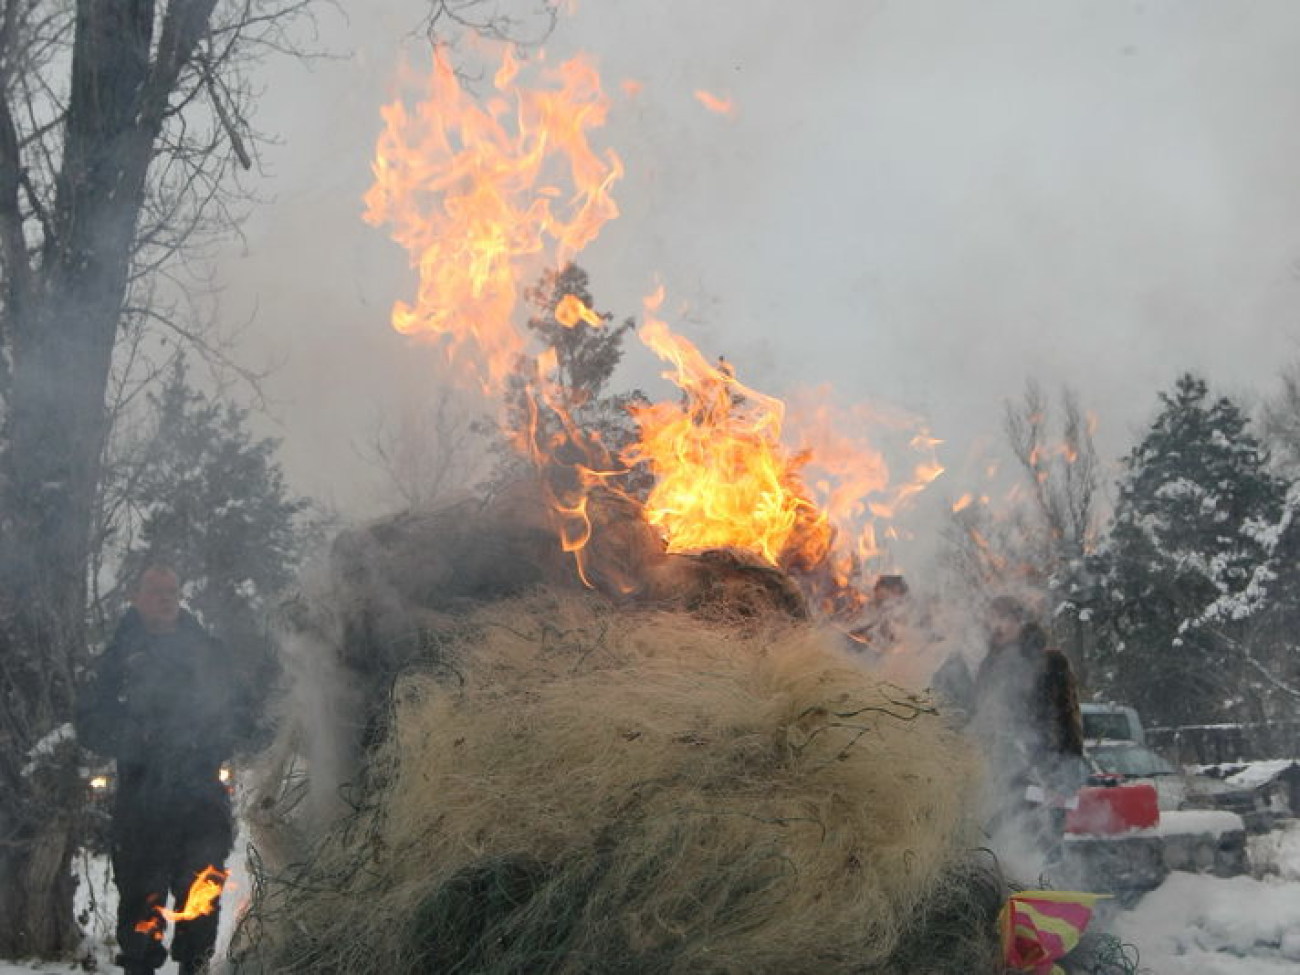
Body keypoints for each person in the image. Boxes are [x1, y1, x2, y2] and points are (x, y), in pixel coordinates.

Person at [76, 565, 251, 975]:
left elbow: (241, 709)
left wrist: (210, 739)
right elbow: (90, 721)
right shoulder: (117, 657)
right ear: (136, 597)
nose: (166, 598)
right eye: (155, 591)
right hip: (142, 807)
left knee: (201, 909)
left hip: (201, 804)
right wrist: (137, 739)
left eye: (171, 591)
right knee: (141, 912)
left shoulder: (207, 650)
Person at [967, 595, 1085, 844]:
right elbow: (980, 715)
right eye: (991, 620)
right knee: (1002, 844)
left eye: (1004, 619)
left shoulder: (1051, 663)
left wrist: (1067, 771)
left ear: (1020, 622)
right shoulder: (989, 665)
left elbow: (1067, 718)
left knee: (1042, 842)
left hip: (1044, 770)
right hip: (1000, 773)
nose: (996, 626)